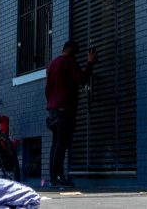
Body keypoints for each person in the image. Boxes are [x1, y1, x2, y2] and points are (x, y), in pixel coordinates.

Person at [45, 40, 97, 188]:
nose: (76, 56)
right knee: (61, 145)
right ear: (71, 50)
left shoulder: (52, 64)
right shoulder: (68, 61)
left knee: (55, 144)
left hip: (52, 110)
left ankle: (54, 178)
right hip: (63, 111)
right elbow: (81, 79)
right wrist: (90, 63)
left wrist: (51, 104)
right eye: (76, 52)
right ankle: (60, 176)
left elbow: (47, 89)